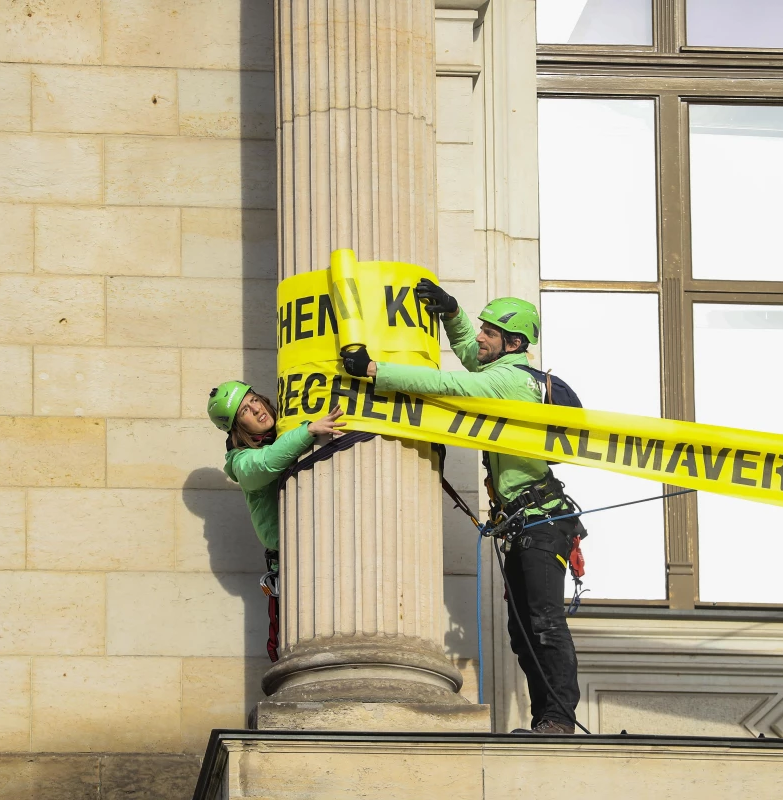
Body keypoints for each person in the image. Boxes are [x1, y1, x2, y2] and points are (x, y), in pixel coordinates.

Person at [341, 280, 582, 735]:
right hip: (528, 523)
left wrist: (375, 370)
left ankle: (557, 719)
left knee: (543, 624)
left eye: (489, 331)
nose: (481, 336)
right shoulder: (509, 372)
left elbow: (450, 382)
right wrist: (452, 313)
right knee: (524, 631)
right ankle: (548, 718)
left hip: (542, 521)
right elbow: (473, 358)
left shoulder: (510, 381)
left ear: (513, 343)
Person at [207, 380, 345, 660]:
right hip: (291, 561)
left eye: (254, 399)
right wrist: (308, 431)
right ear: (238, 428)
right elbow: (268, 462)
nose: (256, 409)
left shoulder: (286, 432)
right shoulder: (242, 462)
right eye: (245, 410)